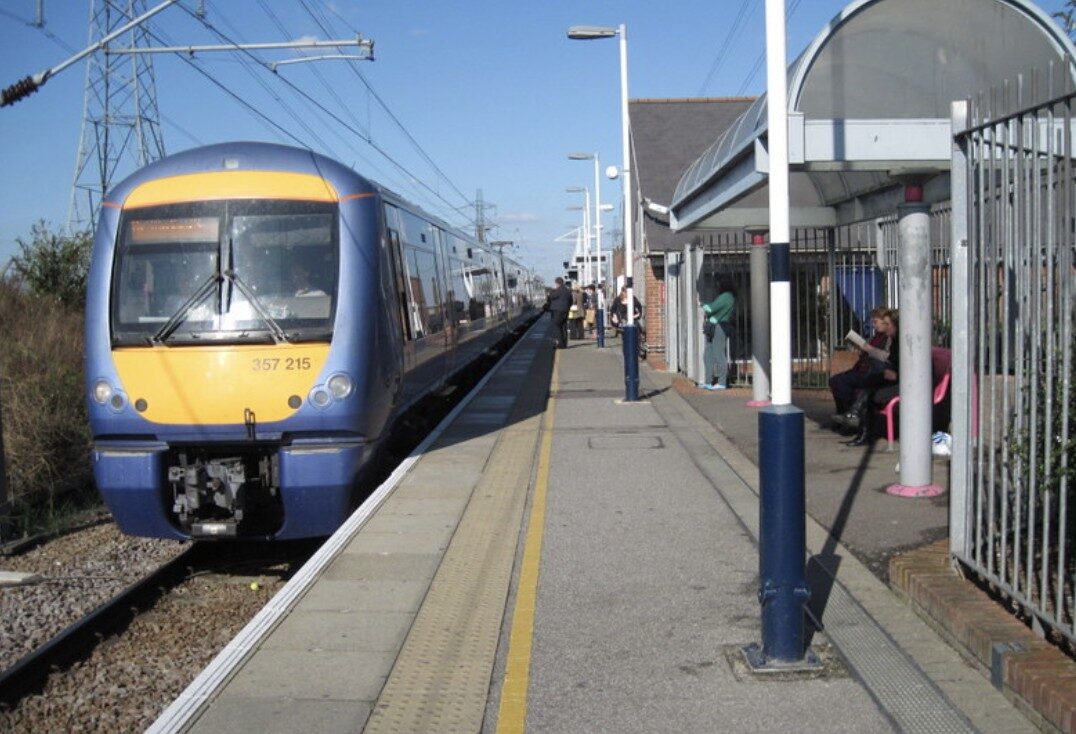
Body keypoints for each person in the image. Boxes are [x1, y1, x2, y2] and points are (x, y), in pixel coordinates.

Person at [829, 306, 895, 429]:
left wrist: (868, 349)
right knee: (836, 381)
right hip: (864, 368)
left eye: (876, 322)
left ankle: (851, 415)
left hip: (874, 372)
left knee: (843, 382)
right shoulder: (876, 336)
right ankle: (845, 414)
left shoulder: (889, 338)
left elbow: (886, 357)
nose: (874, 325)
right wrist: (862, 350)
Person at [844, 310, 899, 446]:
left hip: (904, 383)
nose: (885, 327)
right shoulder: (895, 341)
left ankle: (857, 418)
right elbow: (892, 362)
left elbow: (913, 369)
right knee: (869, 385)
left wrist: (897, 375)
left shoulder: (904, 343)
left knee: (871, 393)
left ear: (896, 325)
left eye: (888, 324)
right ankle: (856, 417)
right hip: (893, 378)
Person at [700, 277, 735, 390]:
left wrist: (702, 304)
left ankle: (721, 382)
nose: (716, 286)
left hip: (719, 326)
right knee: (708, 354)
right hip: (714, 327)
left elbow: (711, 308)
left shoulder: (726, 296)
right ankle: (708, 381)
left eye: (718, 283)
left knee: (718, 353)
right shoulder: (727, 296)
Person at [544, 277, 572, 349]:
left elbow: (551, 297)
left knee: (556, 325)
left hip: (557, 311)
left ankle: (560, 343)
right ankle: (564, 344)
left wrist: (551, 292)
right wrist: (567, 307)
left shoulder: (557, 290)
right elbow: (571, 301)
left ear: (557, 283)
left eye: (555, 284)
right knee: (563, 326)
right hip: (565, 310)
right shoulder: (568, 291)